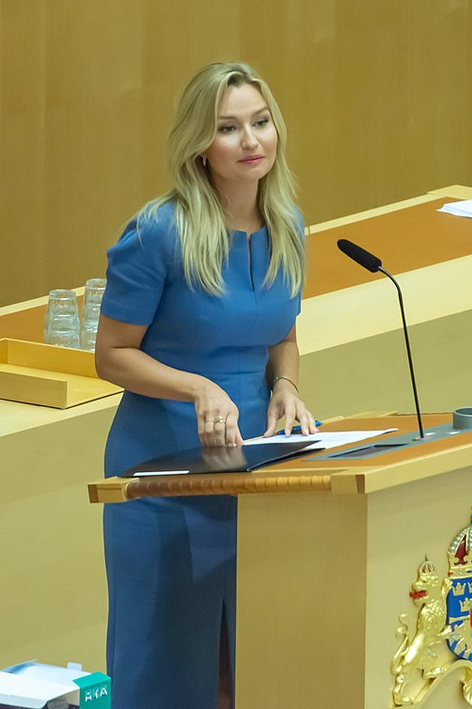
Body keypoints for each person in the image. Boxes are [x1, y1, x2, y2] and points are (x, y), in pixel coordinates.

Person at [95, 61, 317, 709]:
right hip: (164, 474)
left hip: (256, 468)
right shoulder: (158, 233)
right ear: (199, 143)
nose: (251, 141)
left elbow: (281, 333)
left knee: (250, 655)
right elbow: (111, 356)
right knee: (167, 661)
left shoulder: (288, 224)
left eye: (261, 122)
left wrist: (286, 385)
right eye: (228, 128)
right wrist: (197, 387)